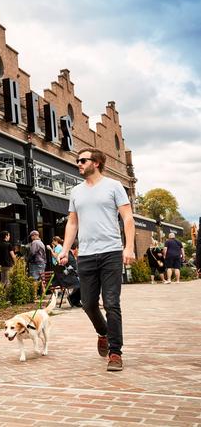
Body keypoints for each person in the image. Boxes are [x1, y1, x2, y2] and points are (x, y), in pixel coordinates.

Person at [58, 147, 135, 372]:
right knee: (89, 303)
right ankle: (103, 333)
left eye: (83, 160)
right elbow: (72, 223)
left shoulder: (114, 187)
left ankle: (115, 352)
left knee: (111, 302)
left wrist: (128, 247)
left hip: (111, 252)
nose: (78, 164)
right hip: (86, 255)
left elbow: (127, 217)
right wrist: (64, 250)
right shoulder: (76, 191)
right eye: (78, 160)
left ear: (97, 163)